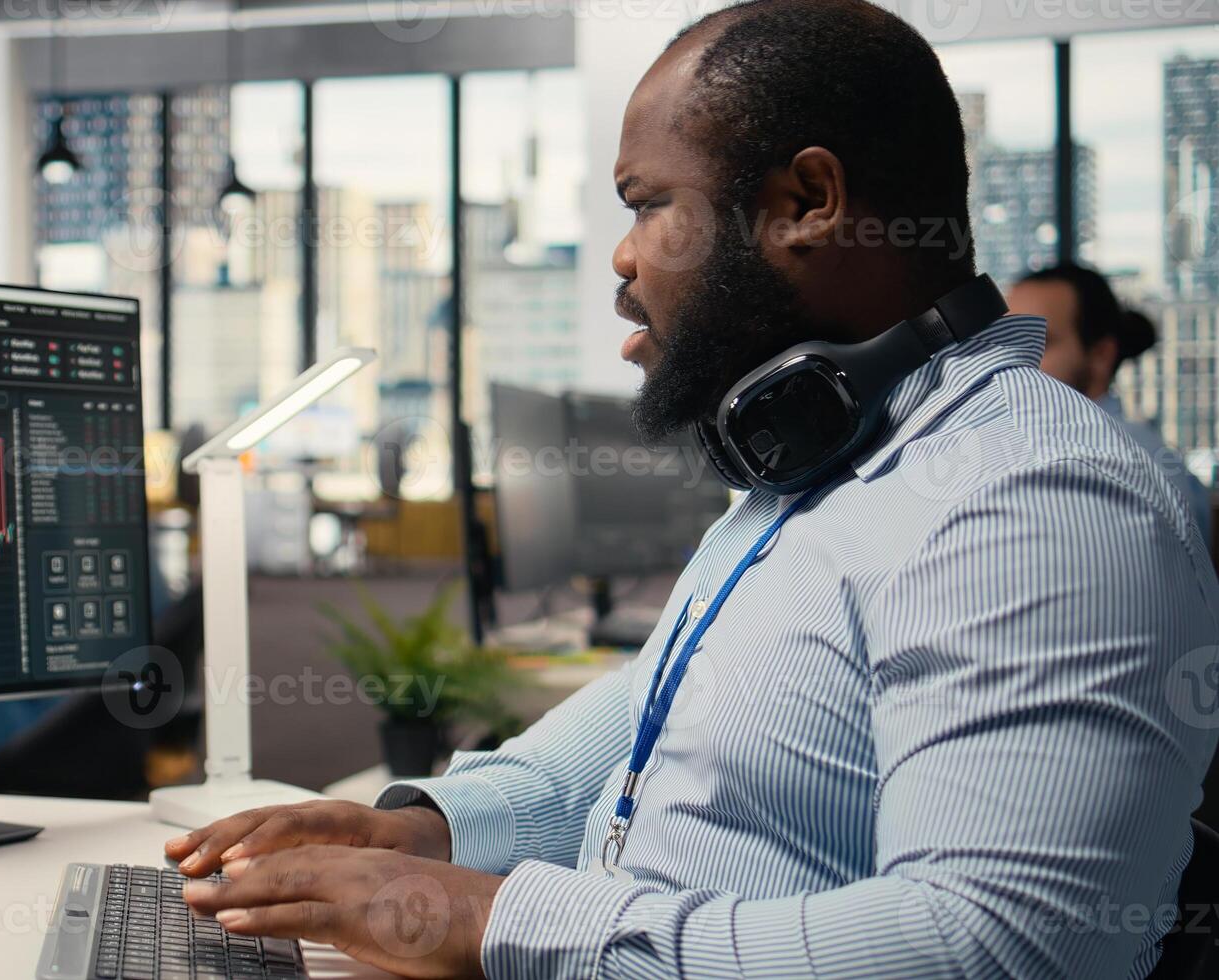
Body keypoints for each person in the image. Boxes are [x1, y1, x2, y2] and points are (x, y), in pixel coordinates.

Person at [168, 1, 1219, 976]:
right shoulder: (810, 465)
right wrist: (423, 828)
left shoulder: (1031, 495)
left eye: (649, 204)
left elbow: (1004, 946)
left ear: (805, 202)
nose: (621, 257)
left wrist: (489, 916)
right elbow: (662, 721)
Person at [1010, 263, 1213, 548]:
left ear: (1101, 355)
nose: (1012, 359)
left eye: (1038, 342)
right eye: (1006, 341)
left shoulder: (1134, 468)